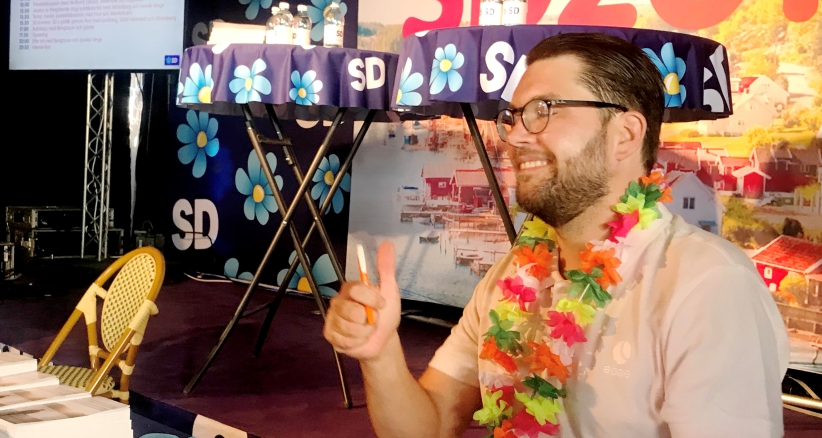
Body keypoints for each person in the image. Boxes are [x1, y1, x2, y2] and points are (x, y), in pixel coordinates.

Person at [324, 33, 789, 437]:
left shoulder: (707, 285)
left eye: (544, 111)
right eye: (513, 117)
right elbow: (429, 427)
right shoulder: (510, 278)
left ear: (625, 135)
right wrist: (380, 355)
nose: (515, 137)